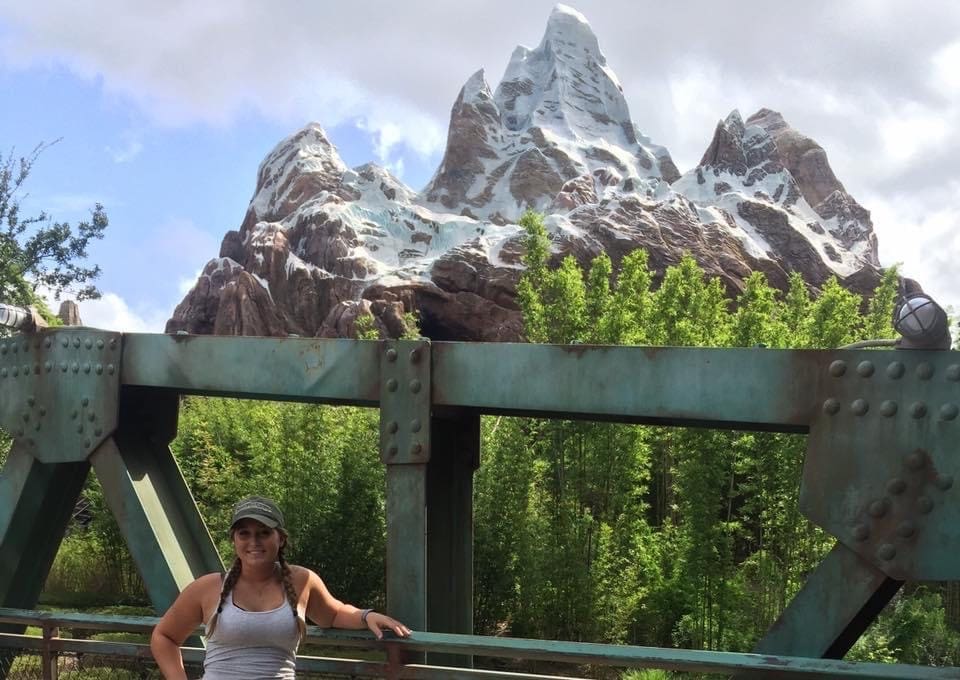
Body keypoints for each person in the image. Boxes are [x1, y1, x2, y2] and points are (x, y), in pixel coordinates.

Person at [151, 496, 411, 679]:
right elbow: (164, 637)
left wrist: (367, 616)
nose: (254, 541)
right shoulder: (207, 588)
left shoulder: (302, 581)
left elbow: (333, 614)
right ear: (234, 539)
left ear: (281, 538)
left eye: (264, 532)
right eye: (244, 533)